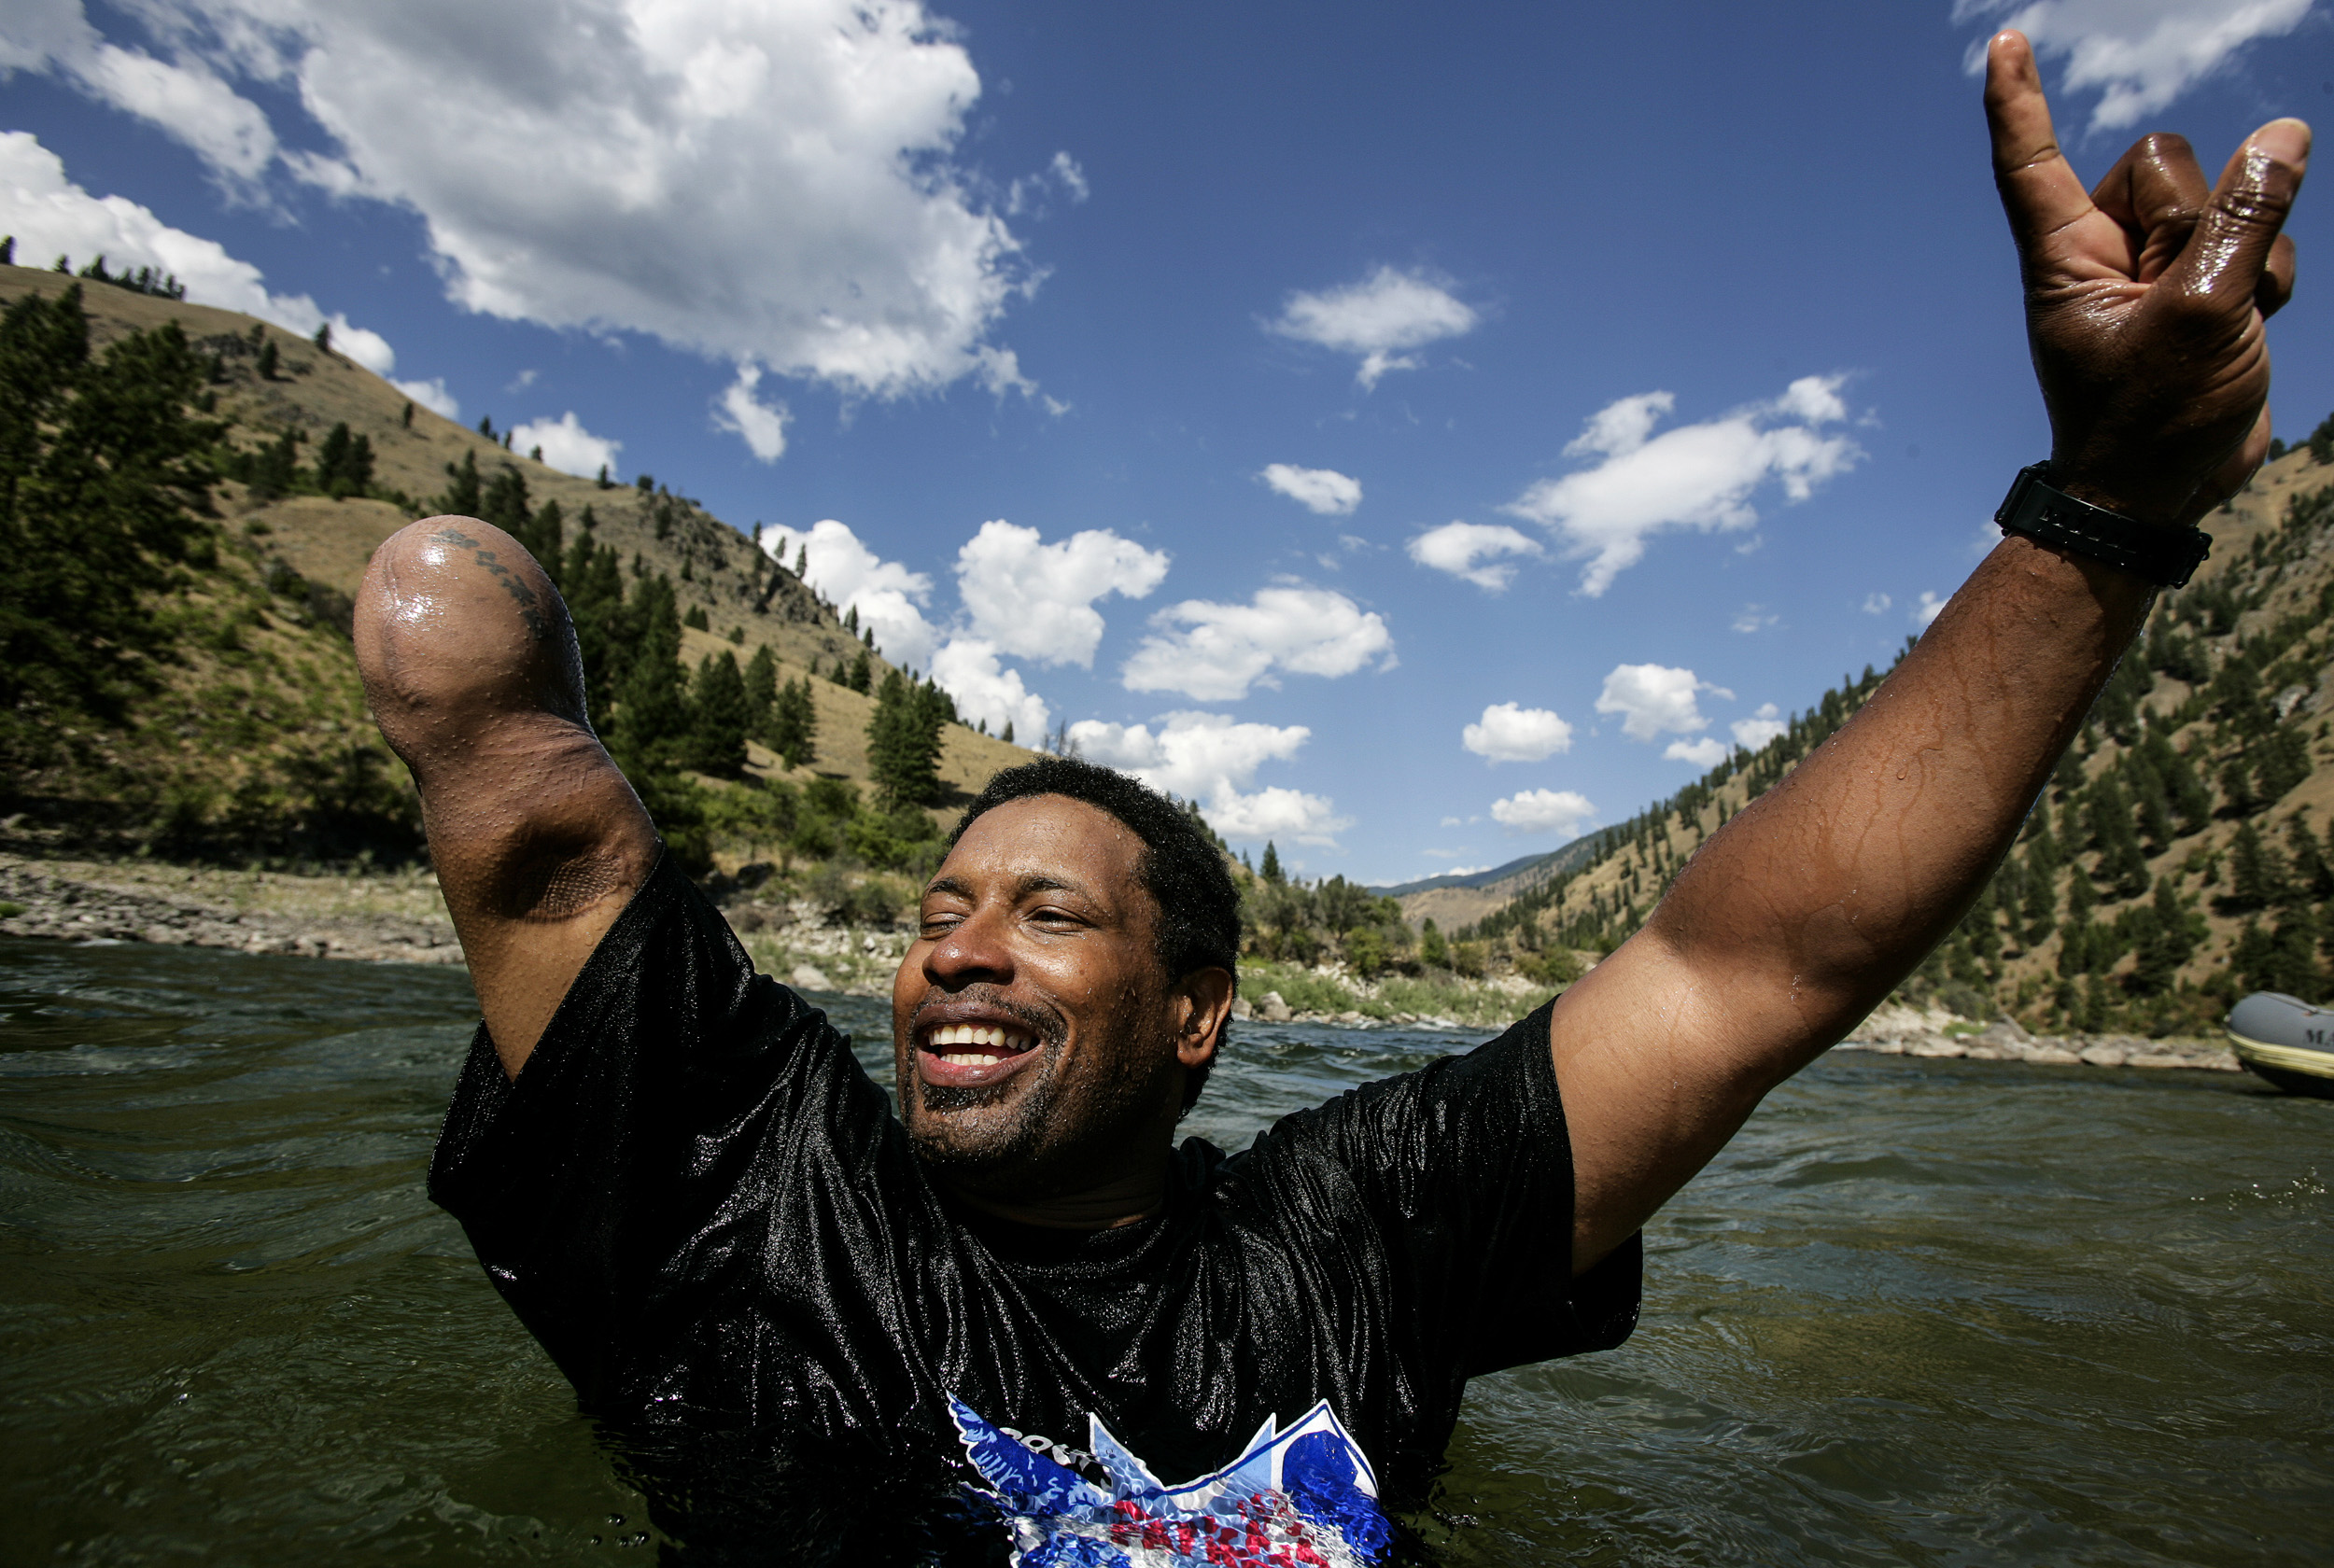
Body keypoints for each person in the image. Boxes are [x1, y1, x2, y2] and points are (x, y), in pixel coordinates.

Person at [355, 33, 2306, 1562]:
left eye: (1047, 914)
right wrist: (481, 646)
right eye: (936, 911)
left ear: (1201, 1012)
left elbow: (1742, 974)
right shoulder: (745, 1192)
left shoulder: (1353, 1232)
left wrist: (2105, 508)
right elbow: (507, 779)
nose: (955, 950)